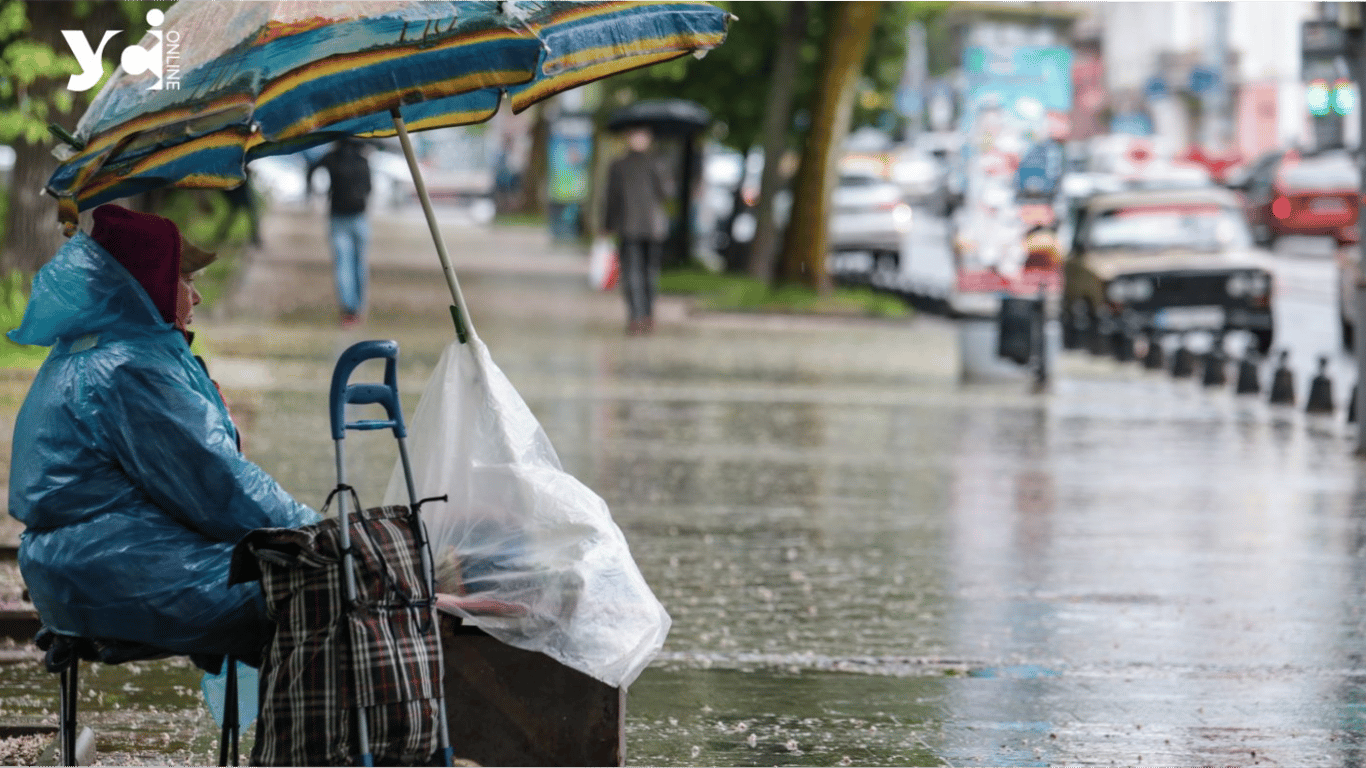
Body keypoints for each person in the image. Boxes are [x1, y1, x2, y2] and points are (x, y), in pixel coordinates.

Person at [7, 204, 320, 665]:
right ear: (147, 287)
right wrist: (320, 534)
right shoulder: (131, 370)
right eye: (185, 282)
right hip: (118, 571)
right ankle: (316, 736)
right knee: (322, 589)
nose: (196, 299)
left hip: (79, 568)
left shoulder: (88, 349)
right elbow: (217, 488)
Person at [604, 127, 673, 335]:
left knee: (634, 271)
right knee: (648, 271)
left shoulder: (619, 164)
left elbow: (612, 199)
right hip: (652, 227)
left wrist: (607, 225)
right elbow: (667, 193)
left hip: (629, 225)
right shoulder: (656, 162)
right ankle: (646, 316)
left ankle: (637, 316)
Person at [308, 137, 373, 328]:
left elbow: (312, 168)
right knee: (359, 264)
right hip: (359, 217)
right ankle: (359, 308)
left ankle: (348, 311)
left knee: (342, 266)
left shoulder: (331, 158)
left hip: (337, 217)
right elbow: (369, 188)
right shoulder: (363, 161)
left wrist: (313, 193)